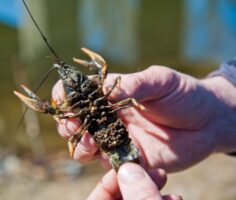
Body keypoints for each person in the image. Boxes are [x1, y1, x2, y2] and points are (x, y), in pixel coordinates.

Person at [52, 62, 236, 199]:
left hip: (116, 140)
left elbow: (104, 77)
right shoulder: (89, 92)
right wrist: (218, 115)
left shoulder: (95, 90)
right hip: (115, 141)